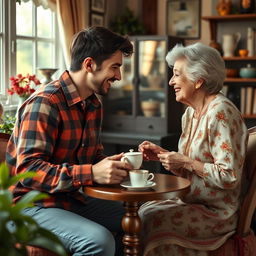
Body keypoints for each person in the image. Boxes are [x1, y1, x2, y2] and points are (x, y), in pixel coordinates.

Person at [6, 26, 133, 256]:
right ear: (89, 65)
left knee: (139, 218)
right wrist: (92, 173)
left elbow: (92, 157)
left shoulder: (93, 104)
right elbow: (29, 170)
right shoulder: (46, 103)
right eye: (115, 67)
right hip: (30, 205)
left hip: (69, 199)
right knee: (99, 241)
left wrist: (113, 164)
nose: (118, 76)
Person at [138, 42, 248, 256]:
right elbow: (191, 168)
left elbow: (229, 175)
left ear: (198, 80)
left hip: (216, 213)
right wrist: (163, 156)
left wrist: (186, 162)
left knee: (153, 219)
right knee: (143, 210)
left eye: (177, 75)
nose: (171, 82)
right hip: (191, 201)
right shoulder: (190, 114)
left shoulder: (221, 112)